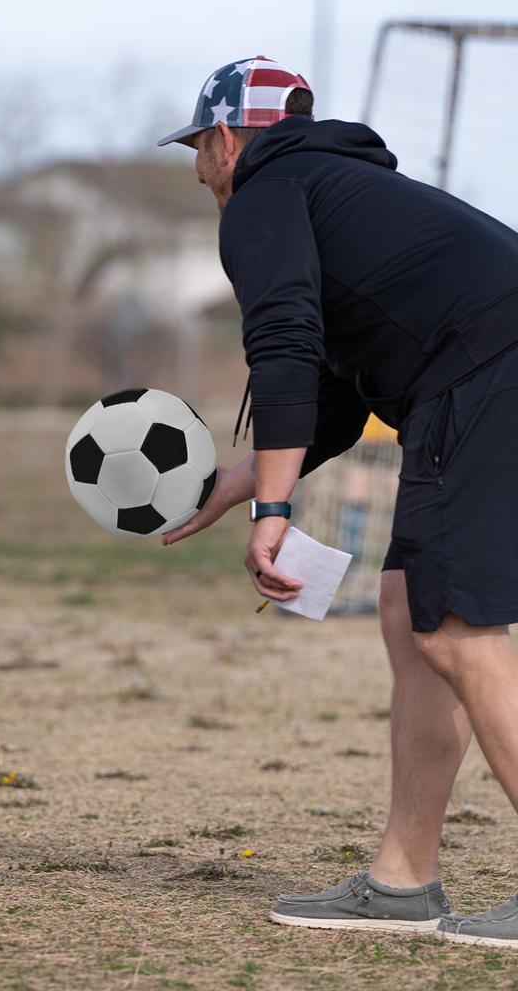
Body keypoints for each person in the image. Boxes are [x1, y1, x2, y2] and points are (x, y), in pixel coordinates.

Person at [158, 56, 518, 947]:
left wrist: (273, 517)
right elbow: (334, 394)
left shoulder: (262, 199)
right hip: (485, 369)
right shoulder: (339, 189)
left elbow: (281, 344)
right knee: (412, 612)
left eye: (199, 149)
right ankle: (403, 880)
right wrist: (240, 486)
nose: (200, 171)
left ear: (227, 138)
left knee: (456, 629)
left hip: (484, 375)